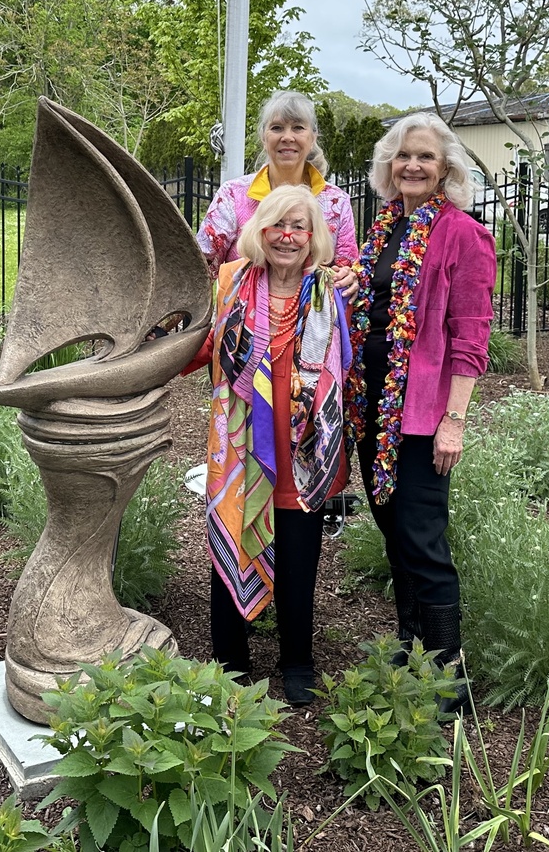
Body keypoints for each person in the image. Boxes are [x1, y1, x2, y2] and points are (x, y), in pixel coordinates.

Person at [341, 112, 495, 711]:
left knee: (423, 538)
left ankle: (451, 681)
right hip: (372, 408)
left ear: (446, 168)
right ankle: (411, 650)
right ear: (389, 165)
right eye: (404, 155)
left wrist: (453, 421)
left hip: (422, 415)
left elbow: (470, 339)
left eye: (426, 157)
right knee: (394, 531)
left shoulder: (462, 234)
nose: (413, 165)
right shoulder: (384, 231)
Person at [192, 184, 351, 706]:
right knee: (231, 542)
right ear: (259, 231)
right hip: (239, 445)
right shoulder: (231, 280)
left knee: (300, 556)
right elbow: (207, 345)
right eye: (278, 225)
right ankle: (231, 661)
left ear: (313, 237)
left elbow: (345, 369)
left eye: (299, 227)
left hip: (301, 447)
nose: (288, 236)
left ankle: (297, 661)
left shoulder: (327, 291)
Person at [197, 90, 359, 276]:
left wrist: (349, 276)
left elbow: (346, 271)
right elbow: (201, 268)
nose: (287, 137)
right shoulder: (233, 195)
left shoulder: (336, 202)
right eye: (277, 128)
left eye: (298, 127)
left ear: (313, 138)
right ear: (263, 137)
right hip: (242, 305)